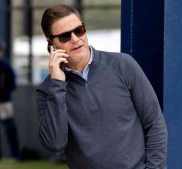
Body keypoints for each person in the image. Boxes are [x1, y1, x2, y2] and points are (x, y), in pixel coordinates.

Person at [35, 4, 168, 169]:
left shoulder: (123, 65)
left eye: (79, 30)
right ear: (51, 43)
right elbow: (55, 143)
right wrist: (57, 84)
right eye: (65, 36)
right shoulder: (47, 90)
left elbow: (154, 123)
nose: (75, 39)